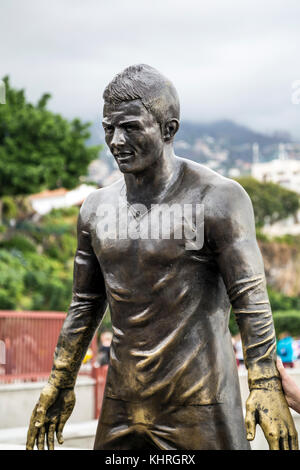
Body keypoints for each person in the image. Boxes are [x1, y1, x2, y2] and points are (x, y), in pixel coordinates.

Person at [26, 64, 298, 450]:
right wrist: (60, 381)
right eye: (109, 128)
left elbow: (250, 297)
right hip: (123, 405)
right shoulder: (95, 209)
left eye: (131, 127)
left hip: (200, 403)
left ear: (169, 129)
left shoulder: (217, 199)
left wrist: (265, 383)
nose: (117, 140)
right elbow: (85, 304)